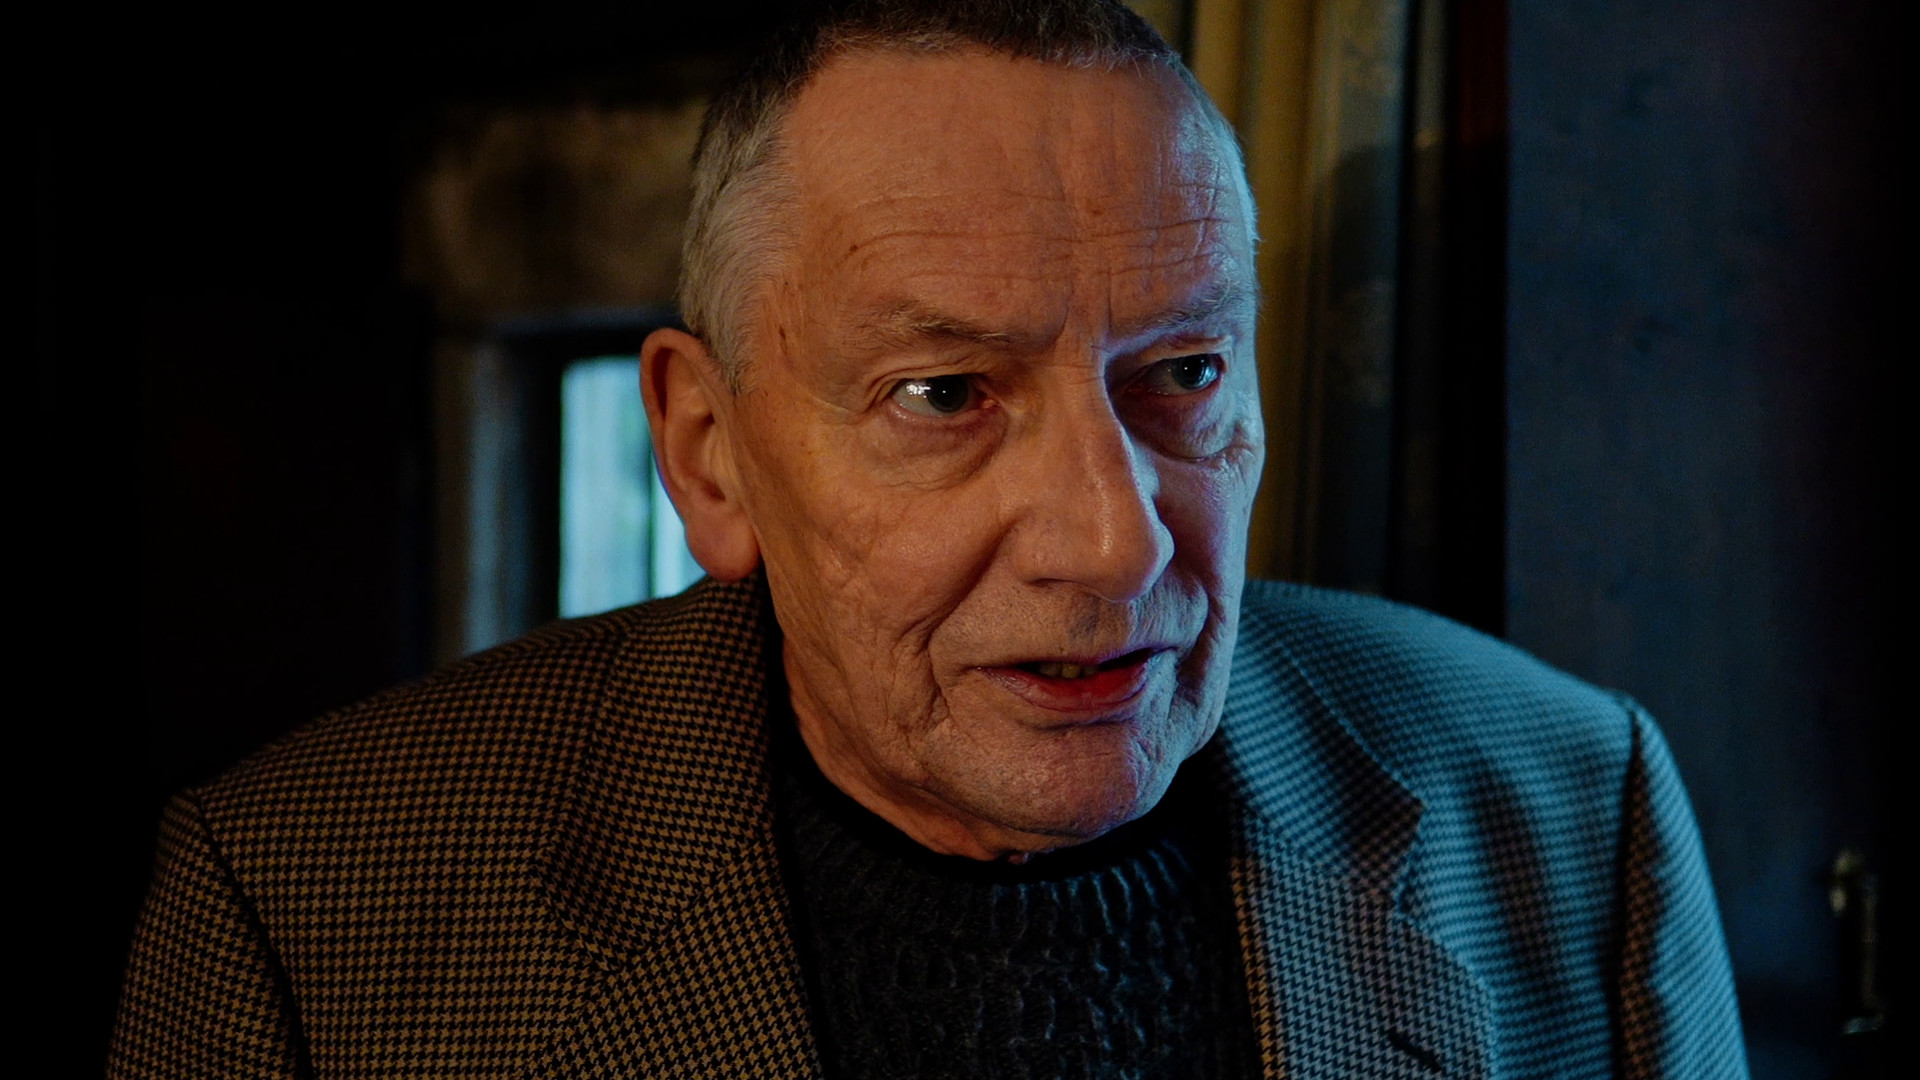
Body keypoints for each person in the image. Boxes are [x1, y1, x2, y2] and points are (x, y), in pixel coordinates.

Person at [108, 2, 1747, 1077]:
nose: (1112, 544)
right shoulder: (301, 917)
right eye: (947, 394)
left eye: (1184, 373)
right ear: (709, 453)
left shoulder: (1568, 813)